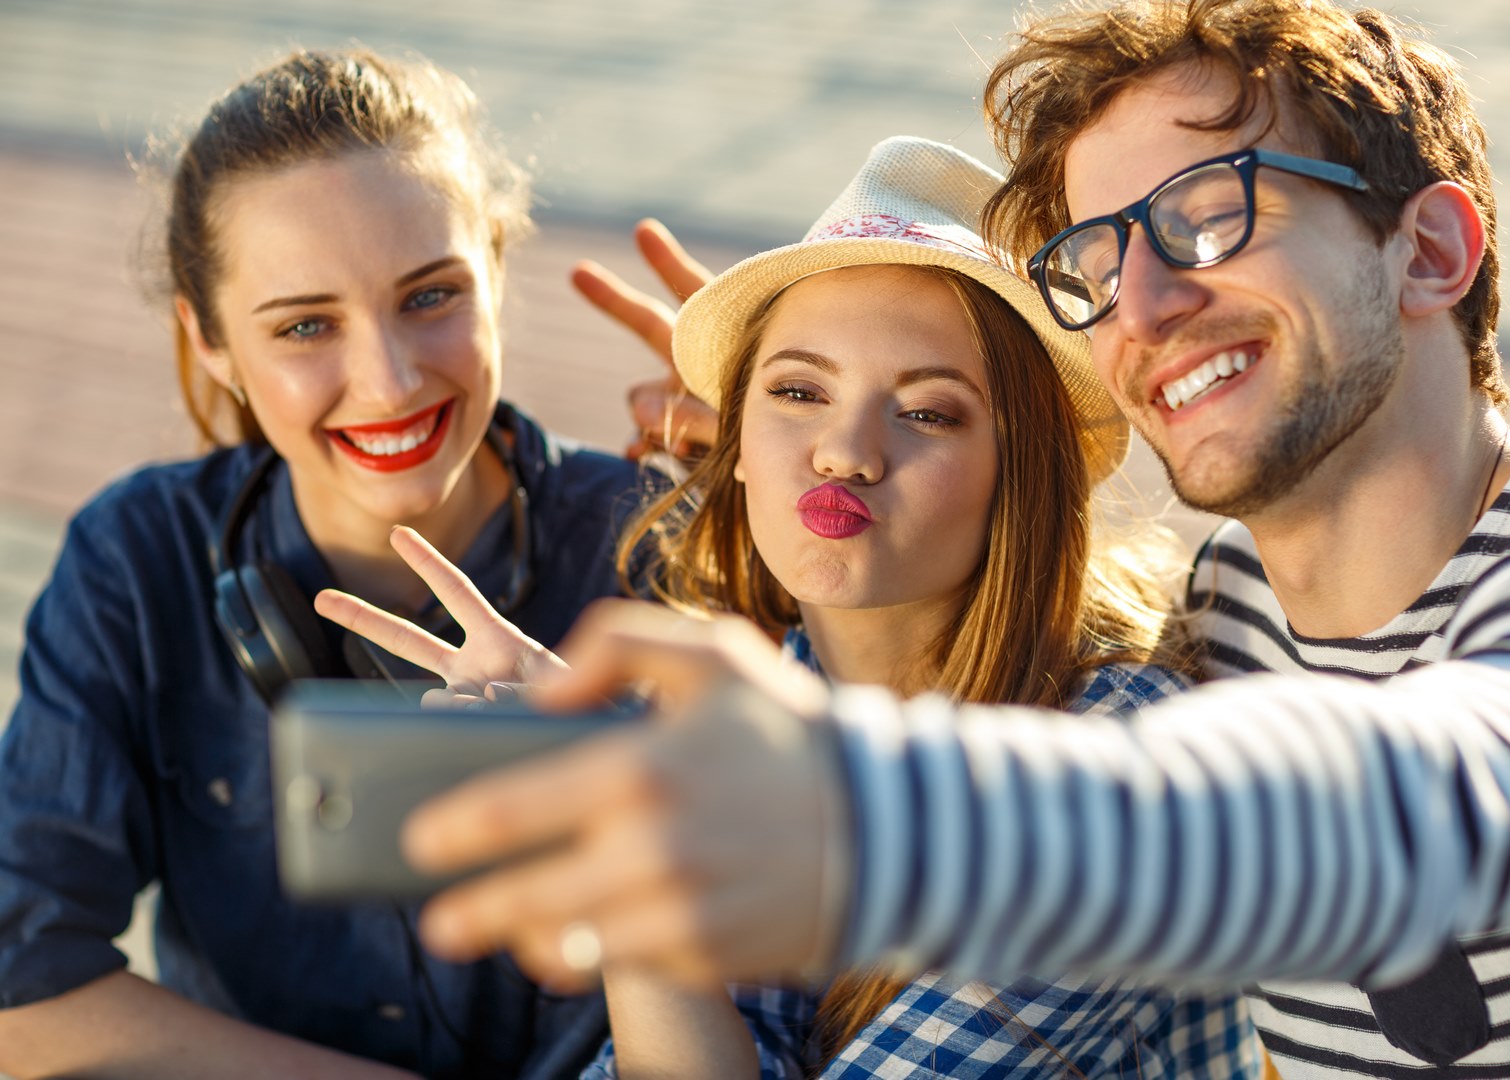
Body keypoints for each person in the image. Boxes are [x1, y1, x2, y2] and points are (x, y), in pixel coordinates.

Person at [382, 1, 1510, 1076]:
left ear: (1431, 251)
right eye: (1098, 263)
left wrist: (842, 800)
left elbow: (1445, 787)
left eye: (1212, 216)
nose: (1142, 307)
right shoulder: (1233, 604)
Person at [322, 135, 1261, 1078]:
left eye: (928, 412)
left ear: (1022, 477)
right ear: (733, 445)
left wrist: (630, 846)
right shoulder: (763, 705)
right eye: (799, 391)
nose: (844, 452)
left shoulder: (1116, 766)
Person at [0, 48, 645, 1079]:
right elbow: (19, 988)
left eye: (431, 296)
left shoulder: (654, 544)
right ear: (209, 340)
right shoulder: (138, 559)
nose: (389, 382)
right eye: (306, 325)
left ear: (495, 268)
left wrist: (784, 478)